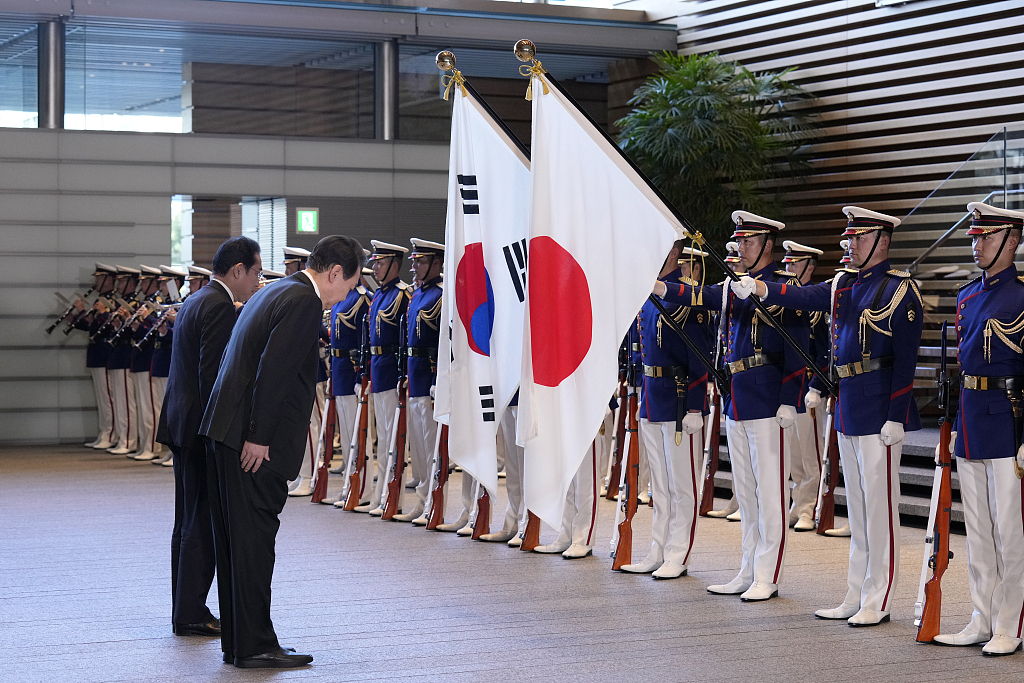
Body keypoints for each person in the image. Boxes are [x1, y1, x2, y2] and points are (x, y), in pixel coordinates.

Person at [730, 206, 923, 626]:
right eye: (849, 238)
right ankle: (855, 594)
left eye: (858, 237)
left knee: (879, 512)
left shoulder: (899, 291)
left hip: (879, 411)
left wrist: (896, 415)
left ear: (882, 241)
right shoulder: (842, 285)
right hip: (850, 404)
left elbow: (906, 360)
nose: (850, 244)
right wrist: (762, 289)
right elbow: (802, 295)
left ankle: (879, 598)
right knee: (857, 509)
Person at [200, 235, 363, 668]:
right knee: (253, 543)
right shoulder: (304, 301)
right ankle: (255, 645)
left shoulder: (275, 289)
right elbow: (273, 371)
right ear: (333, 274)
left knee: (236, 543)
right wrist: (259, 436)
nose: (345, 296)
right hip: (250, 442)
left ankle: (239, 642)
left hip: (225, 430)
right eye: (348, 285)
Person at [653, 211, 809, 602]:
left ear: (768, 245)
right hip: (738, 398)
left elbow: (799, 345)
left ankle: (768, 575)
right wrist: (660, 287)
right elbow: (699, 296)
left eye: (749, 241)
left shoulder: (783, 286)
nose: (741, 247)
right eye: (739, 241)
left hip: (769, 399)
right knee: (748, 491)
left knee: (770, 493)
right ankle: (748, 568)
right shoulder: (734, 285)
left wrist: (790, 399)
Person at [156, 237, 262, 641]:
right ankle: (192, 614)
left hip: (181, 423)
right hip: (201, 429)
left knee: (186, 521)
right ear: (237, 270)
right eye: (255, 272)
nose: (256, 281)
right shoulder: (218, 305)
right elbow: (213, 379)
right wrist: (223, 436)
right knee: (200, 522)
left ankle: (185, 607)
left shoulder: (197, 299)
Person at [932, 203, 1024, 656]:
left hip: (1008, 421)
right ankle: (981, 616)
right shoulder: (968, 296)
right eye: (974, 237)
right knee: (979, 532)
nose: (976, 244)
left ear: (1012, 241)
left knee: (1011, 531)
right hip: (971, 420)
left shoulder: (1022, 296)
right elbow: (962, 368)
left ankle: (1010, 623)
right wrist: (951, 429)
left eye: (986, 237)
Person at [621, 242, 712, 578]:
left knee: (681, 485)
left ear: (673, 253)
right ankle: (657, 549)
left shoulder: (687, 296)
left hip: (678, 399)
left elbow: (700, 357)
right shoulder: (646, 292)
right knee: (659, 485)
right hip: (651, 396)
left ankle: (678, 554)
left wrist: (695, 406)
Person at [779, 241, 828, 532]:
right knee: (793, 453)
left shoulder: (817, 302)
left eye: (794, 264)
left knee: (811, 455)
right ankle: (797, 504)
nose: (788, 269)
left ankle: (809, 508)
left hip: (809, 388)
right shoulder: (785, 299)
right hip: (789, 387)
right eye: (786, 264)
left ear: (810, 267)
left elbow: (824, 350)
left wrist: (816, 386)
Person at [359, 241, 411, 516]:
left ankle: (395, 496)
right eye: (375, 263)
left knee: (393, 438)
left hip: (392, 371)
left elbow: (405, 338)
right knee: (381, 439)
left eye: (380, 263)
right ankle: (380, 495)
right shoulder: (379, 295)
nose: (375, 267)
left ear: (394, 264)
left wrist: (403, 373)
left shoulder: (402, 295)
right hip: (378, 370)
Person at [395, 238, 444, 522]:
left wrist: (438, 376)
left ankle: (432, 503)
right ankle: (422, 499)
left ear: (436, 264)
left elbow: (443, 340)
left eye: (421, 261)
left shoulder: (439, 295)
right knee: (419, 445)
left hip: (428, 375)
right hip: (414, 375)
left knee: (430, 443)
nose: (414, 266)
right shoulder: (418, 295)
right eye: (413, 261)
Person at [323, 267, 372, 506]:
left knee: (357, 433)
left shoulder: (361, 298)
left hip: (351, 370)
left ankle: (361, 487)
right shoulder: (344, 297)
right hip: (340, 369)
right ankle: (348, 485)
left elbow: (364, 340)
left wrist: (359, 375)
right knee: (346, 435)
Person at [706, 241, 742, 520]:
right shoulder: (726, 293)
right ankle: (736, 500)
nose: (730, 266)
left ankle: (802, 507)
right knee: (737, 456)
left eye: (735, 262)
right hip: (729, 384)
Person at [73, 263, 118, 450]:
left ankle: (110, 433)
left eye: (99, 278)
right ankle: (104, 432)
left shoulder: (113, 301)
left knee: (108, 397)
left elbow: (103, 328)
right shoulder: (101, 299)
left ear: (109, 279)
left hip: (105, 354)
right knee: (102, 397)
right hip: (96, 354)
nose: (96, 282)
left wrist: (86, 312)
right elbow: (92, 327)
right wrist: (77, 318)